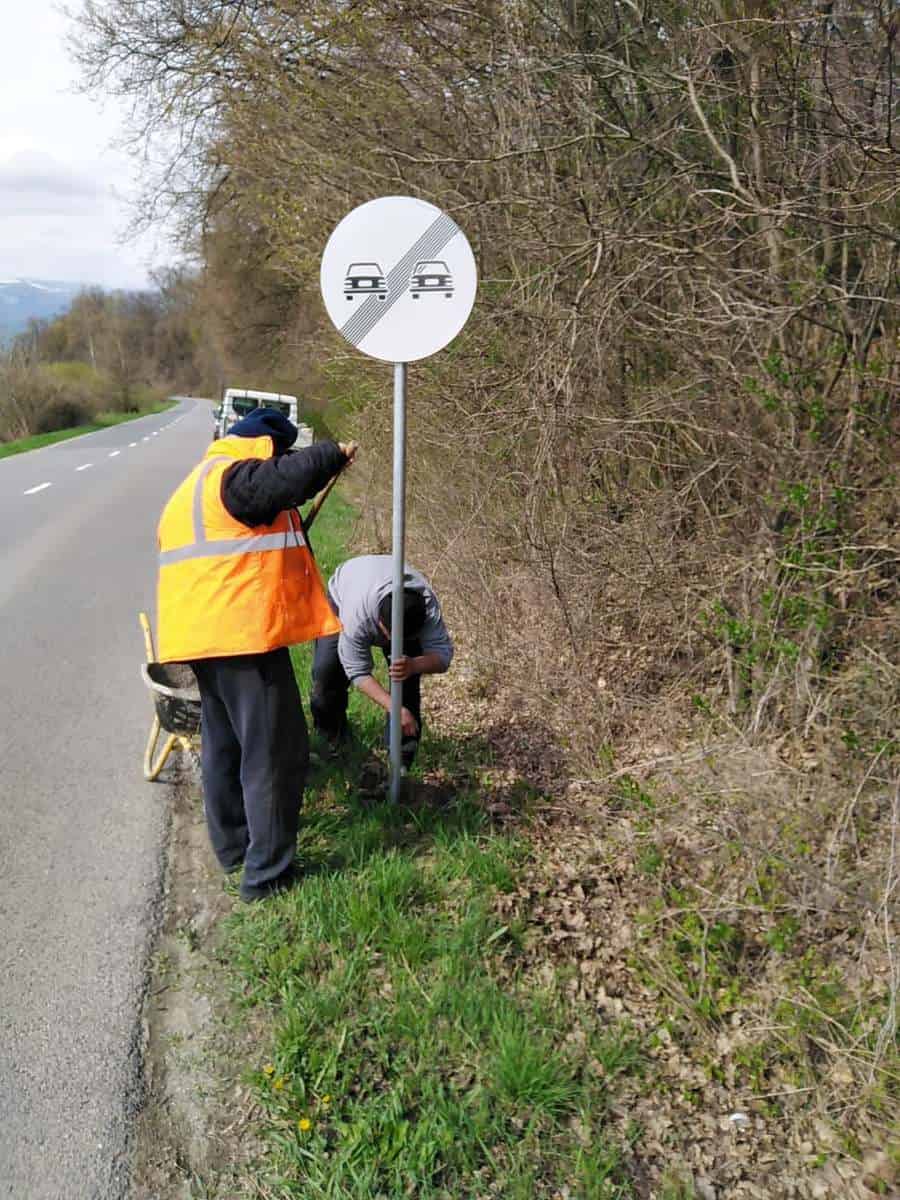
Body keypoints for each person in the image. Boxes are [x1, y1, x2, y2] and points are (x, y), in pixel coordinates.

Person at [155, 407, 356, 901]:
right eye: (279, 453)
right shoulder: (237, 477)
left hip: (204, 639)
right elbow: (281, 481)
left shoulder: (201, 484)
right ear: (266, 447)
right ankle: (267, 876)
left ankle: (234, 850)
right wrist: (330, 454)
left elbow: (274, 500)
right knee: (275, 752)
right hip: (241, 634)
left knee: (224, 744)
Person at [310, 555, 453, 769]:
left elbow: (443, 656)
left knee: (407, 680)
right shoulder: (357, 614)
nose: (398, 644)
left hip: (383, 586)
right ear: (380, 625)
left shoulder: (426, 607)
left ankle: (400, 761)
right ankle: (334, 740)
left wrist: (414, 664)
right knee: (327, 673)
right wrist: (394, 708)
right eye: (393, 638)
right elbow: (357, 671)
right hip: (344, 590)